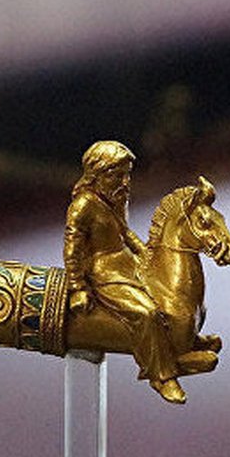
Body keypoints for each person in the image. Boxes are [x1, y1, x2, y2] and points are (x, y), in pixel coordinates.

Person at [63, 141, 185, 403]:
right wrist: (78, 288)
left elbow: (125, 233)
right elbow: (72, 250)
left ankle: (182, 345)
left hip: (128, 263)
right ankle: (161, 375)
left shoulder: (116, 197)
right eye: (118, 175)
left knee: (170, 297)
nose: (125, 182)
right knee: (146, 313)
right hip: (105, 273)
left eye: (127, 174)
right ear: (97, 175)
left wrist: (147, 252)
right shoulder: (83, 206)